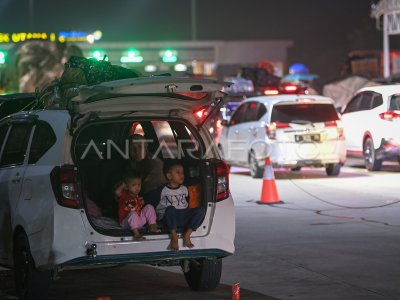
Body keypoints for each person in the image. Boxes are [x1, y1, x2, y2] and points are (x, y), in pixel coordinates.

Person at [147, 160, 206, 251]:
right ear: (169, 176)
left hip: (182, 216)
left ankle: (187, 234)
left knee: (201, 210)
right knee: (171, 209)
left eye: (182, 173)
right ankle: (174, 236)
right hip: (168, 218)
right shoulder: (161, 190)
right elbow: (150, 204)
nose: (182, 175)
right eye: (178, 173)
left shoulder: (184, 189)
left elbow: (186, 202)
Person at [115, 172, 160, 240]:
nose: (137, 187)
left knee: (149, 207)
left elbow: (141, 209)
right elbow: (117, 192)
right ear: (126, 186)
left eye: (139, 185)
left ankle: (152, 226)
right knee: (133, 214)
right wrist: (123, 184)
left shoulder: (138, 197)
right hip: (126, 222)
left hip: (138, 221)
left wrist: (142, 203)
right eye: (133, 185)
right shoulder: (124, 195)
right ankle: (136, 234)